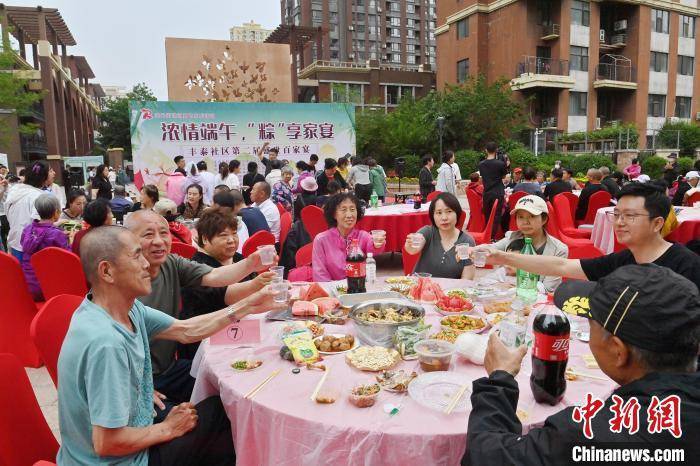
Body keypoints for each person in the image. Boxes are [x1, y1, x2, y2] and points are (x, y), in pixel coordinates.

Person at [57, 225, 284, 465]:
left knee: (222, 413)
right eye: (136, 256)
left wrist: (249, 304)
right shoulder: (106, 343)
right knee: (227, 423)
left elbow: (186, 330)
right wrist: (168, 429)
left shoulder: (126, 308)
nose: (146, 264)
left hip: (135, 431)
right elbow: (107, 442)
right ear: (107, 271)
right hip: (123, 460)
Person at [464, 264, 700, 465]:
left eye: (590, 321)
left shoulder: (591, 434)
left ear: (618, 351)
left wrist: (499, 379)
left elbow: (486, 455)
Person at [123, 210, 277, 421]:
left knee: (232, 383)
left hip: (171, 367)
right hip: (140, 379)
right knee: (201, 421)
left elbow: (215, 276)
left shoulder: (171, 263)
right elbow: (186, 331)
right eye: (148, 235)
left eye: (164, 233)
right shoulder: (122, 284)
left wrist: (251, 264)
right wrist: (137, 388)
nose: (159, 241)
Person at [472, 183, 700, 290]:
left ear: (657, 223)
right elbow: (561, 266)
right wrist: (501, 257)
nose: (619, 222)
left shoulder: (686, 266)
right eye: (617, 214)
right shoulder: (623, 260)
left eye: (629, 216)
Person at [179, 207, 275, 359]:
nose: (231, 240)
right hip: (208, 341)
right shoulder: (195, 267)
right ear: (204, 239)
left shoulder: (239, 259)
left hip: (244, 332)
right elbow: (225, 296)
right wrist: (256, 284)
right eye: (223, 235)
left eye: (234, 233)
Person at [492, 195, 567, 291]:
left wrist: (516, 288)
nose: (525, 222)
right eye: (520, 217)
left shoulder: (558, 249)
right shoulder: (512, 238)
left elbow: (549, 288)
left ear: (544, 219)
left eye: (532, 216)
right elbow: (491, 249)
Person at [312, 192, 386, 281]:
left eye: (352, 209)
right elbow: (320, 273)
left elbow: (373, 248)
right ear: (334, 214)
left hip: (358, 288)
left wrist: (378, 243)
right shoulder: (321, 240)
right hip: (332, 290)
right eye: (343, 210)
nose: (349, 215)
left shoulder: (362, 236)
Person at [404, 192, 475, 279]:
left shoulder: (466, 241)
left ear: (457, 213)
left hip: (450, 291)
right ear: (433, 216)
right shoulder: (428, 232)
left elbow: (467, 280)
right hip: (421, 288)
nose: (444, 218)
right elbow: (413, 249)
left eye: (449, 211)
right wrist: (410, 244)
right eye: (439, 213)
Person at [20, 194, 71, 301]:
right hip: (49, 288)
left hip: (28, 286)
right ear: (56, 213)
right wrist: (69, 240)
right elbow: (69, 259)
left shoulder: (27, 230)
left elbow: (37, 236)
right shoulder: (56, 235)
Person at [4, 160, 56, 261]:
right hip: (30, 249)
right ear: (43, 177)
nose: (54, 173)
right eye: (50, 171)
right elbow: (40, 226)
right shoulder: (38, 196)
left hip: (14, 242)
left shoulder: (15, 190)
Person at [479, 142, 507, 241]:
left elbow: (483, 178)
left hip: (487, 193)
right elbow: (504, 176)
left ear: (486, 150)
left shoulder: (481, 164)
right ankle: (492, 237)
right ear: (496, 150)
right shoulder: (500, 164)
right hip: (498, 191)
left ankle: (487, 236)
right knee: (496, 215)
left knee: (488, 215)